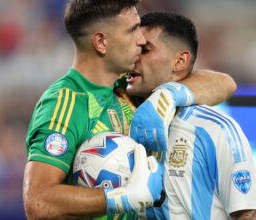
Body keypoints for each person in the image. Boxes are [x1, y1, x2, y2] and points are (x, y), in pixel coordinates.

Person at [23, 0, 236, 219]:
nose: (141, 40)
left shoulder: (129, 87)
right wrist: (122, 198)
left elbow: (224, 83)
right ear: (101, 42)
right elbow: (38, 201)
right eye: (132, 30)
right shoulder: (65, 103)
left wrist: (169, 94)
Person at [127, 12, 256, 219]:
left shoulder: (215, 129)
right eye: (132, 49)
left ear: (180, 60)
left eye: (145, 50)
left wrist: (167, 93)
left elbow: (249, 214)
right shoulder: (118, 111)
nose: (133, 57)